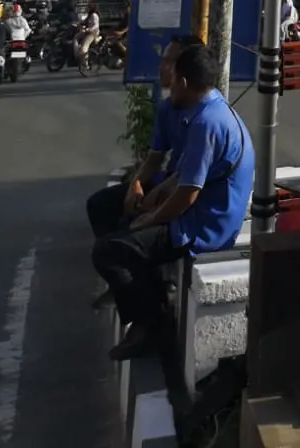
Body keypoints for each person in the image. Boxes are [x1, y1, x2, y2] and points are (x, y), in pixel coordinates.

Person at [93, 42, 254, 360]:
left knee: (109, 251)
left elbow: (187, 195)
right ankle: (152, 303)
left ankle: (148, 324)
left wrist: (151, 218)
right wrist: (150, 193)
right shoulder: (212, 109)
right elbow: (183, 175)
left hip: (204, 226)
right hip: (199, 211)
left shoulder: (207, 123)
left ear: (183, 81)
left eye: (172, 71)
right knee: (121, 224)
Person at [85, 35, 202, 240]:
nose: (161, 67)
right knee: (100, 205)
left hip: (185, 192)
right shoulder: (168, 108)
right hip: (169, 182)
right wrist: (136, 184)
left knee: (130, 226)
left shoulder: (205, 119)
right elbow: (155, 156)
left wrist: (152, 207)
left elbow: (189, 181)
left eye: (168, 62)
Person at [77, 0, 101, 67]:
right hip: (88, 33)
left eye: (88, 7)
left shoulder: (94, 15)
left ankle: (86, 63)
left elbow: (96, 25)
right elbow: (84, 22)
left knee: (84, 47)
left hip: (92, 34)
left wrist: (89, 29)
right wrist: (78, 24)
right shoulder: (89, 15)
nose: (87, 9)